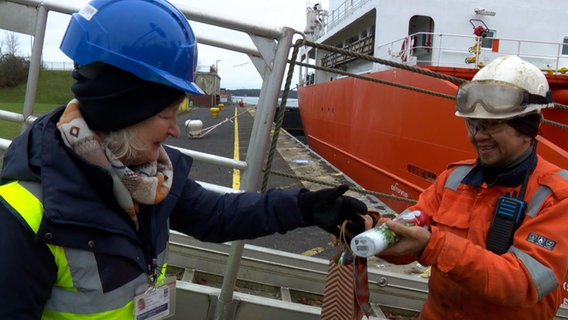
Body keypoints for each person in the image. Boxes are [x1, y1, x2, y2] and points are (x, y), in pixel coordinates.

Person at [0, 0, 371, 318]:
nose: (175, 130)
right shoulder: (25, 217)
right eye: (166, 115)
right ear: (121, 112)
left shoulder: (146, 173)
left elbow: (217, 215)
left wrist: (303, 207)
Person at [376, 55, 568, 319]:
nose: (478, 136)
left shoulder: (557, 196)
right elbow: (410, 235)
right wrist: (370, 229)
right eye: (474, 125)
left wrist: (433, 246)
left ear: (527, 129)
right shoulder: (454, 178)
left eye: (493, 125)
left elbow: (524, 283)